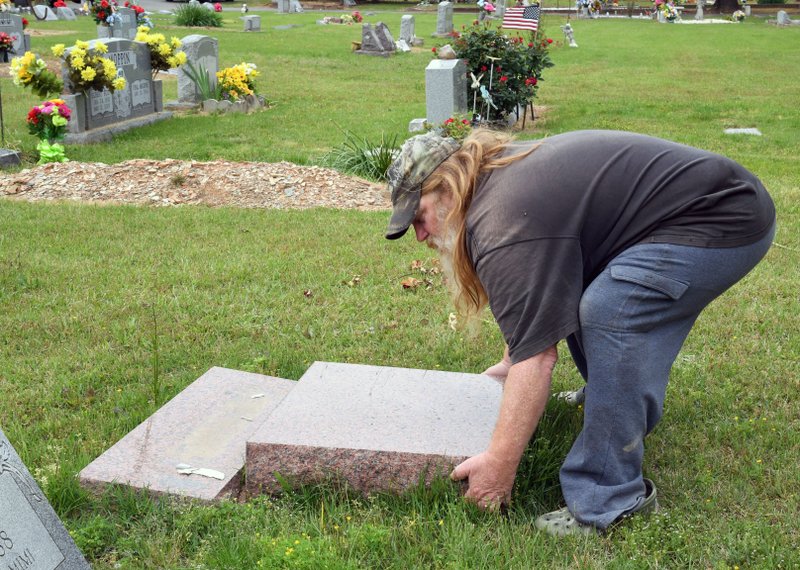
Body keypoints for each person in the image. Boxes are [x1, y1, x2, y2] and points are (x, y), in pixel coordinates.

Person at [384, 129, 776, 536]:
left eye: (419, 216)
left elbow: (537, 358)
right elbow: (538, 290)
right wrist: (507, 364)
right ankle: (613, 401)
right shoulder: (497, 184)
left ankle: (610, 499)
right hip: (712, 204)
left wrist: (498, 469)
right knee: (588, 289)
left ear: (448, 187)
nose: (421, 235)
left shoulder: (501, 220)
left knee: (611, 310)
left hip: (724, 216)